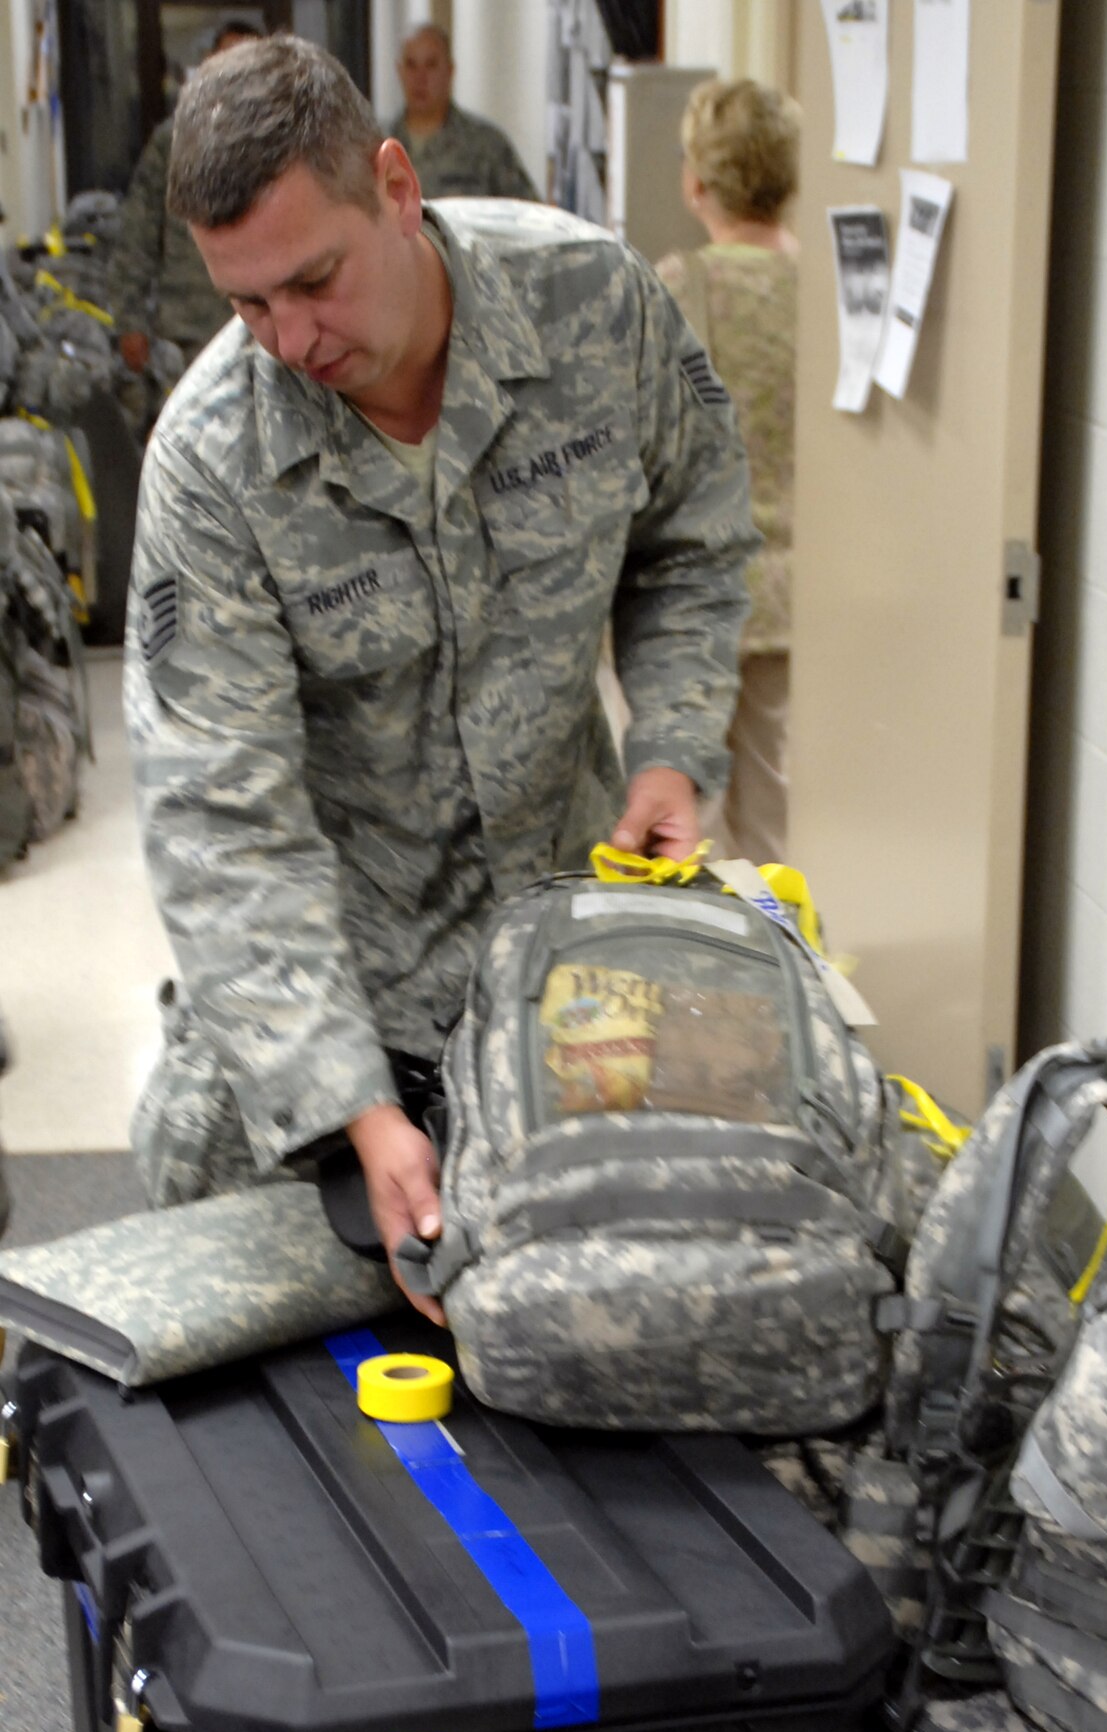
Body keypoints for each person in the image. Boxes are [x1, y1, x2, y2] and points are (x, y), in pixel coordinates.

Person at [124, 35, 755, 1321]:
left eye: (313, 280)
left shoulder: (594, 304)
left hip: (553, 955)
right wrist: (352, 1104)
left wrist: (673, 748)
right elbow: (220, 816)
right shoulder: (212, 461)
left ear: (396, 188)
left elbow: (694, 538)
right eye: (247, 304)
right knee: (208, 1265)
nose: (290, 338)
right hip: (339, 975)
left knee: (649, 1311)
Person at [657, 78, 799, 866]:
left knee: (690, 832)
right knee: (780, 828)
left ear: (696, 181)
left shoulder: (678, 287)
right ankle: (788, 969)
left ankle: (710, 983)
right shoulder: (830, 293)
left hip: (697, 599)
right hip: (795, 597)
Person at [109, 19, 264, 377]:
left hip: (264, 329)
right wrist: (129, 320)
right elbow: (138, 236)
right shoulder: (174, 143)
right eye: (227, 61)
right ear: (209, 64)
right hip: (185, 336)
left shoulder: (283, 148)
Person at [390, 23, 538, 202]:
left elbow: (527, 213)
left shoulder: (487, 146)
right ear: (399, 71)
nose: (420, 78)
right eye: (411, 65)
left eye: (431, 65)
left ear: (450, 71)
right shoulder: (376, 143)